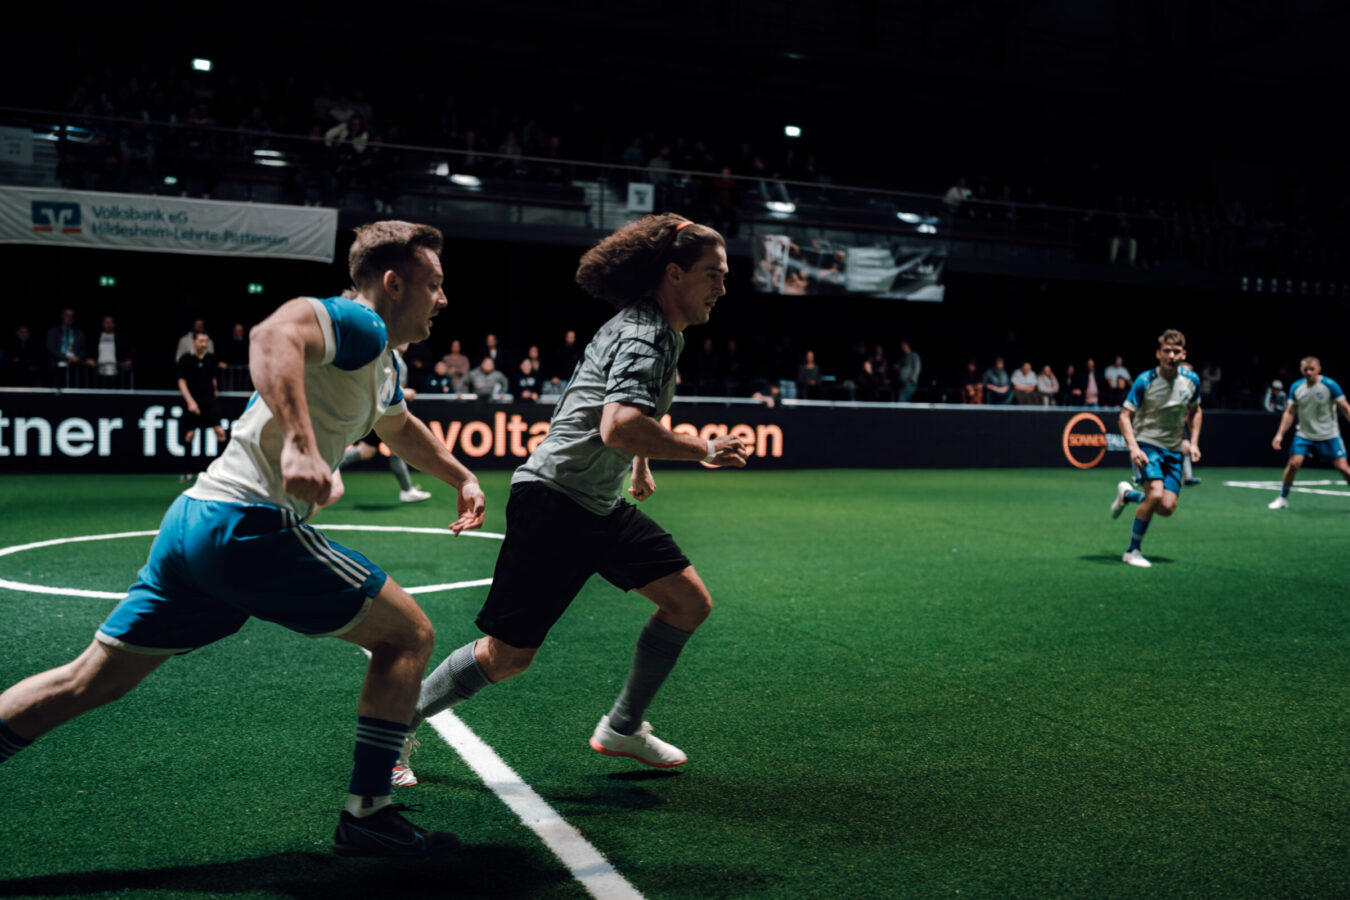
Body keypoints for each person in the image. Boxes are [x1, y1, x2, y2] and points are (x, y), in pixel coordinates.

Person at [0, 221, 486, 857]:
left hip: (195, 521)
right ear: (393, 284)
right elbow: (270, 335)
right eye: (434, 284)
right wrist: (302, 447)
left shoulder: (383, 362)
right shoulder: (359, 323)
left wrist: (461, 476)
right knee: (409, 635)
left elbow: (398, 427)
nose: (443, 299)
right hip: (247, 527)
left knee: (88, 681)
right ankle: (368, 812)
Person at [395, 213, 747, 788]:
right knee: (507, 656)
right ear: (675, 274)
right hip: (555, 503)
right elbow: (619, 424)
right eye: (714, 274)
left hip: (597, 504)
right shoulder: (644, 333)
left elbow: (621, 411)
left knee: (687, 602)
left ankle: (623, 727)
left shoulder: (660, 330)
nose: (723, 288)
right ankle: (395, 726)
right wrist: (704, 448)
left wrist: (641, 462)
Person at [1108, 329, 1201, 568]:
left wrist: (1194, 442)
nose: (1171, 356)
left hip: (1174, 450)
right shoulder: (1145, 380)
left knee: (1166, 507)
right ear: (1158, 354)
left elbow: (1196, 411)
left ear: (1183, 354)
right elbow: (1125, 416)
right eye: (1167, 351)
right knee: (1156, 495)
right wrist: (1133, 448)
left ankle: (1128, 495)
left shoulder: (1192, 381)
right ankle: (1132, 551)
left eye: (1176, 351)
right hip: (1147, 444)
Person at [1267, 356, 1350, 510]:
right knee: (1294, 463)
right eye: (1306, 369)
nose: (1309, 372)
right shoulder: (1296, 387)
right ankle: (1282, 498)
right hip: (1304, 435)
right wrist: (1279, 434)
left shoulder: (1330, 385)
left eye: (1312, 369)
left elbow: (1345, 407)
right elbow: (1290, 412)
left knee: (1343, 468)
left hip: (1329, 434)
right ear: (1301, 370)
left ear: (1319, 369)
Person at [175, 330, 226, 482]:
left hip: (209, 401)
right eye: (201, 341)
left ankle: (222, 472)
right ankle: (187, 471)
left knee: (220, 432)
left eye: (206, 341)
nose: (204, 344)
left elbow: (213, 378)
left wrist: (215, 394)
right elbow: (181, 382)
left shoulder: (211, 359)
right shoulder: (185, 359)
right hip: (193, 402)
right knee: (189, 435)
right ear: (194, 341)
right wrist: (190, 401)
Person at [86, 315, 134, 388]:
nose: (108, 325)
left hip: (116, 372)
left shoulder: (121, 338)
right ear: (102, 324)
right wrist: (89, 359)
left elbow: (128, 351)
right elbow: (89, 351)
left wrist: (128, 361)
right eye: (106, 322)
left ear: (114, 324)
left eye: (110, 322)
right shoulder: (95, 337)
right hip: (99, 372)